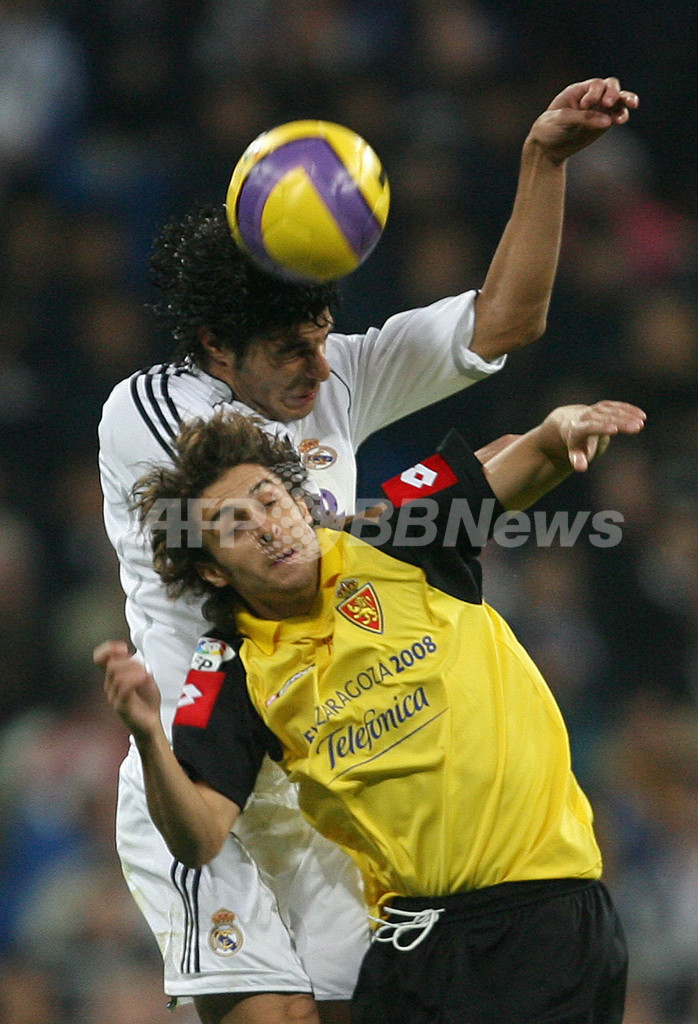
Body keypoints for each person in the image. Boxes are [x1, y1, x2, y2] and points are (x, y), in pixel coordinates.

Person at [97, 77, 638, 1024]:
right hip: (206, 766)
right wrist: (468, 485)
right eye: (292, 351)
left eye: (325, 339)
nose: (322, 369)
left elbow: (504, 321)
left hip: (333, 778)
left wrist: (543, 160)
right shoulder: (153, 411)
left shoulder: (325, 371)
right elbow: (277, 522)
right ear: (217, 347)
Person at [96, 395, 646, 1024]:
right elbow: (198, 837)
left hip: (539, 922)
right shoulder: (227, 667)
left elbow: (525, 464)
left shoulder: (397, 536)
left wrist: (558, 429)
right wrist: (148, 735)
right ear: (214, 571)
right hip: (411, 947)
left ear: (302, 504)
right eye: (234, 525)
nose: (268, 528)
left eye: (271, 501)